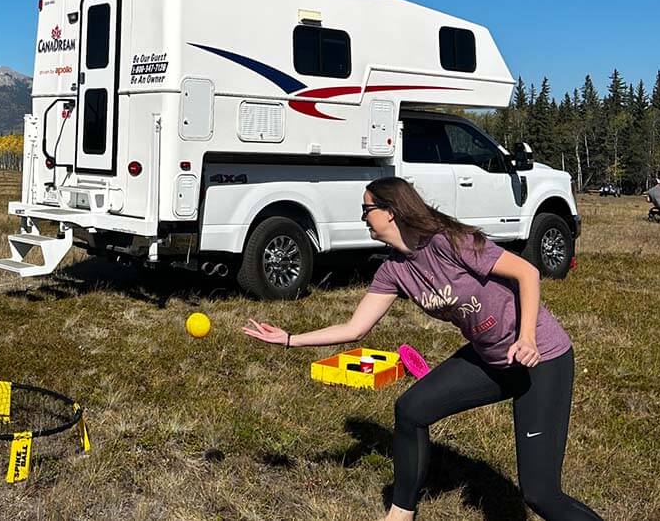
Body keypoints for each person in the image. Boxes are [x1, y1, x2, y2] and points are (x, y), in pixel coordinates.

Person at [243, 177, 603, 521]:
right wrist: (290, 339)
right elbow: (356, 328)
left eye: (366, 209)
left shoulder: (448, 242)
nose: (363, 217)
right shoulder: (393, 271)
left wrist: (526, 338)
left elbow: (527, 272)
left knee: (539, 494)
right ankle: (402, 512)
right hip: (491, 359)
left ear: (390, 211)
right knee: (412, 409)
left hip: (541, 357)